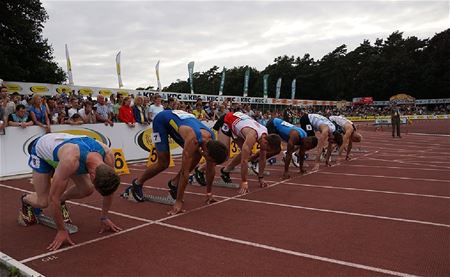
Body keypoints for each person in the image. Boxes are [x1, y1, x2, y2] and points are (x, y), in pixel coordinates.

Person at [19, 133, 121, 250]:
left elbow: (109, 189)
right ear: (92, 175)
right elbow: (53, 199)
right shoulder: (70, 161)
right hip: (41, 151)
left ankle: (62, 201)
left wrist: (104, 217)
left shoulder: (108, 156)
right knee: (44, 201)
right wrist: (61, 230)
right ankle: (26, 200)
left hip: (68, 149)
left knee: (87, 189)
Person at [130, 110, 228, 215]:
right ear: (208, 152)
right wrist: (178, 201)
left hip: (181, 123)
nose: (208, 163)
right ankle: (137, 183)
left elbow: (210, 169)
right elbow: (185, 173)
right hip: (161, 121)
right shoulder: (193, 140)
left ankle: (174, 184)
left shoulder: (212, 138)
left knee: (197, 156)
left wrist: (209, 193)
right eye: (209, 160)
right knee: (164, 163)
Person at [206, 111, 281, 194]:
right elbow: (244, 161)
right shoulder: (252, 136)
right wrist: (244, 182)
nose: (265, 151)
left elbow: (262, 158)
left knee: (247, 152)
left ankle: (226, 171)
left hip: (238, 124)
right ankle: (200, 170)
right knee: (222, 155)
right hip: (226, 121)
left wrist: (261, 177)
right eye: (267, 149)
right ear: (266, 142)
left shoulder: (265, 134)